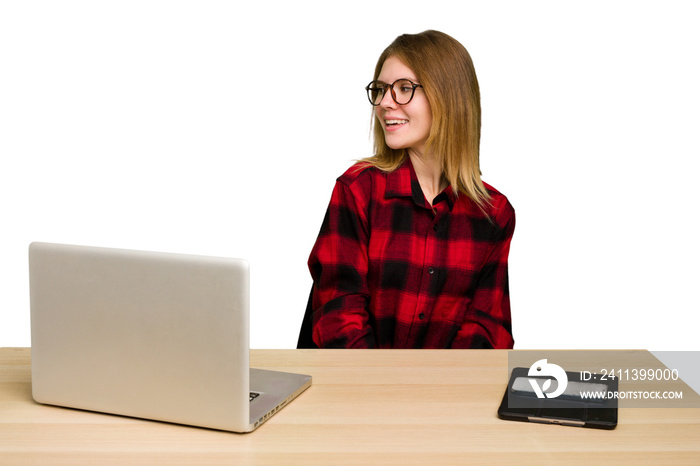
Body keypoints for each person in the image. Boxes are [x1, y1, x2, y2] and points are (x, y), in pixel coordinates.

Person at [307, 30, 515, 349]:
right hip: (359, 392)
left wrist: (440, 392)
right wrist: (386, 392)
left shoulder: (494, 214)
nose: (384, 103)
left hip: (448, 394)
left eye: (404, 88)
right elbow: (338, 320)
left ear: (448, 97)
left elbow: (487, 329)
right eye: (380, 90)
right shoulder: (357, 190)